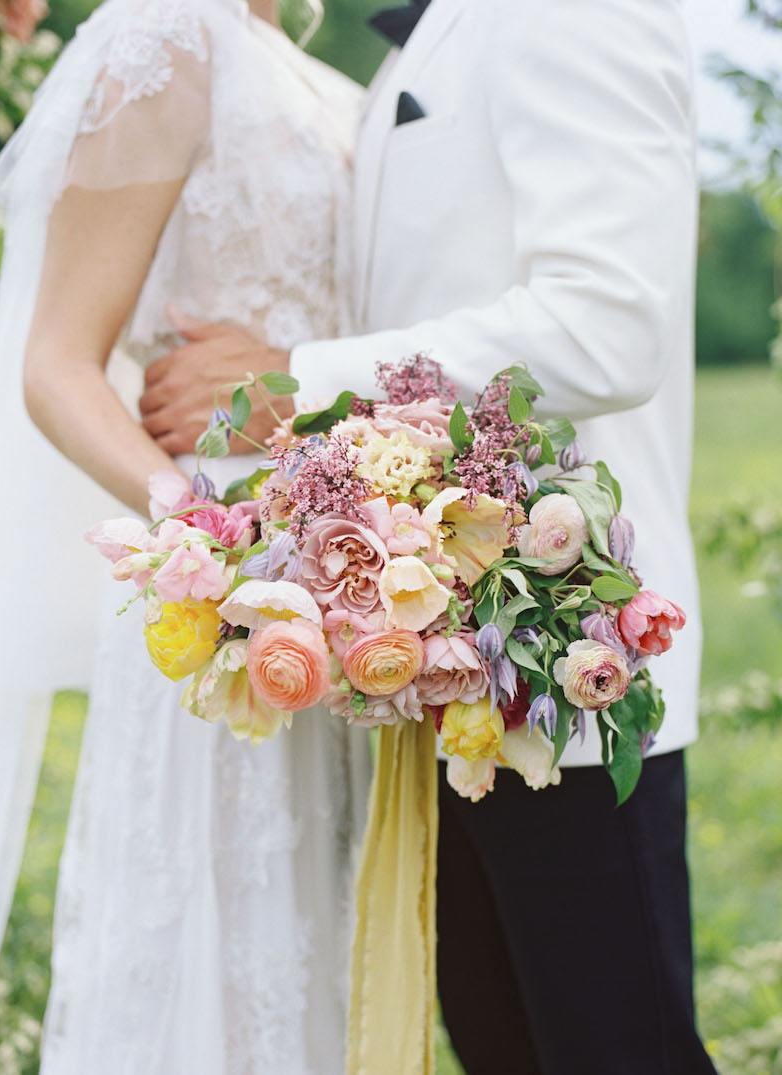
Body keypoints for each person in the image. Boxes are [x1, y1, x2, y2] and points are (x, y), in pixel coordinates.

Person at [142, 0, 719, 1071]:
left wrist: (300, 379)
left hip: (571, 666)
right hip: (432, 669)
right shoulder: (425, 36)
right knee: (500, 1042)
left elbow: (605, 327)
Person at [0, 0, 372, 1071]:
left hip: (342, 584)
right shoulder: (162, 35)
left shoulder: (325, 82)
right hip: (213, 598)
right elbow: (56, 363)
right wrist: (203, 539)